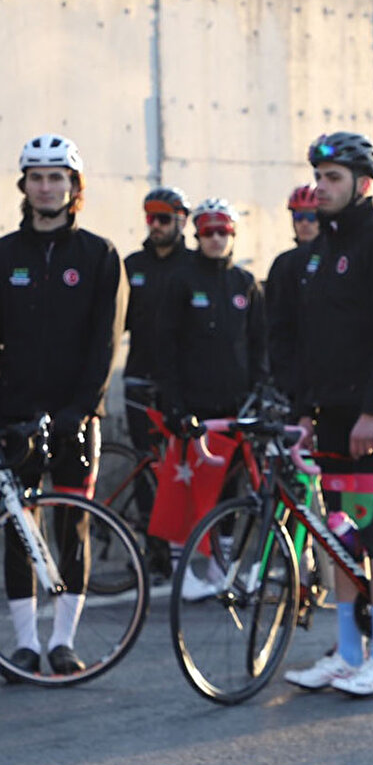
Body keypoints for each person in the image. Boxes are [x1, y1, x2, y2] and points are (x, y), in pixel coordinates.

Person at [283, 131, 373, 697]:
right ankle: (347, 652)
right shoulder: (321, 249)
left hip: (370, 414)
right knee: (337, 532)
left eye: (333, 178)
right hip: (330, 409)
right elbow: (313, 337)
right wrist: (306, 411)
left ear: (363, 185)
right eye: (318, 176)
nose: (321, 187)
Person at [0, 133, 126, 675]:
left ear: (74, 187)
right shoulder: (5, 254)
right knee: (18, 528)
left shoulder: (99, 255)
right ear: (24, 186)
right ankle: (26, 643)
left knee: (71, 526)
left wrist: (82, 409)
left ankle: (63, 643)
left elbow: (105, 340)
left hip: (77, 418)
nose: (47, 186)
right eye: (37, 177)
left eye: (58, 177)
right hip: (15, 416)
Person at [154, 197, 268, 600]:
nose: (216, 238)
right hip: (193, 408)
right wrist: (174, 404)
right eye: (207, 232)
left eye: (223, 231)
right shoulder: (181, 281)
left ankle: (221, 569)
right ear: (197, 234)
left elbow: (258, 347)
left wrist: (258, 393)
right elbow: (164, 347)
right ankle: (182, 572)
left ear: (233, 234)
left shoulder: (245, 284)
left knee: (228, 492)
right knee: (185, 489)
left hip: (235, 409)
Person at [124, 186, 191, 444]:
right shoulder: (132, 265)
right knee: (146, 462)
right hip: (140, 375)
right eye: (150, 218)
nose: (156, 226)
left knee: (181, 462)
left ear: (182, 221)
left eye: (163, 219)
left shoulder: (193, 266)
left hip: (183, 381)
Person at [265, 184, 321, 404]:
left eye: (311, 217)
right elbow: (272, 320)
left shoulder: (335, 257)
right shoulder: (283, 263)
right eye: (299, 217)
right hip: (292, 368)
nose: (305, 224)